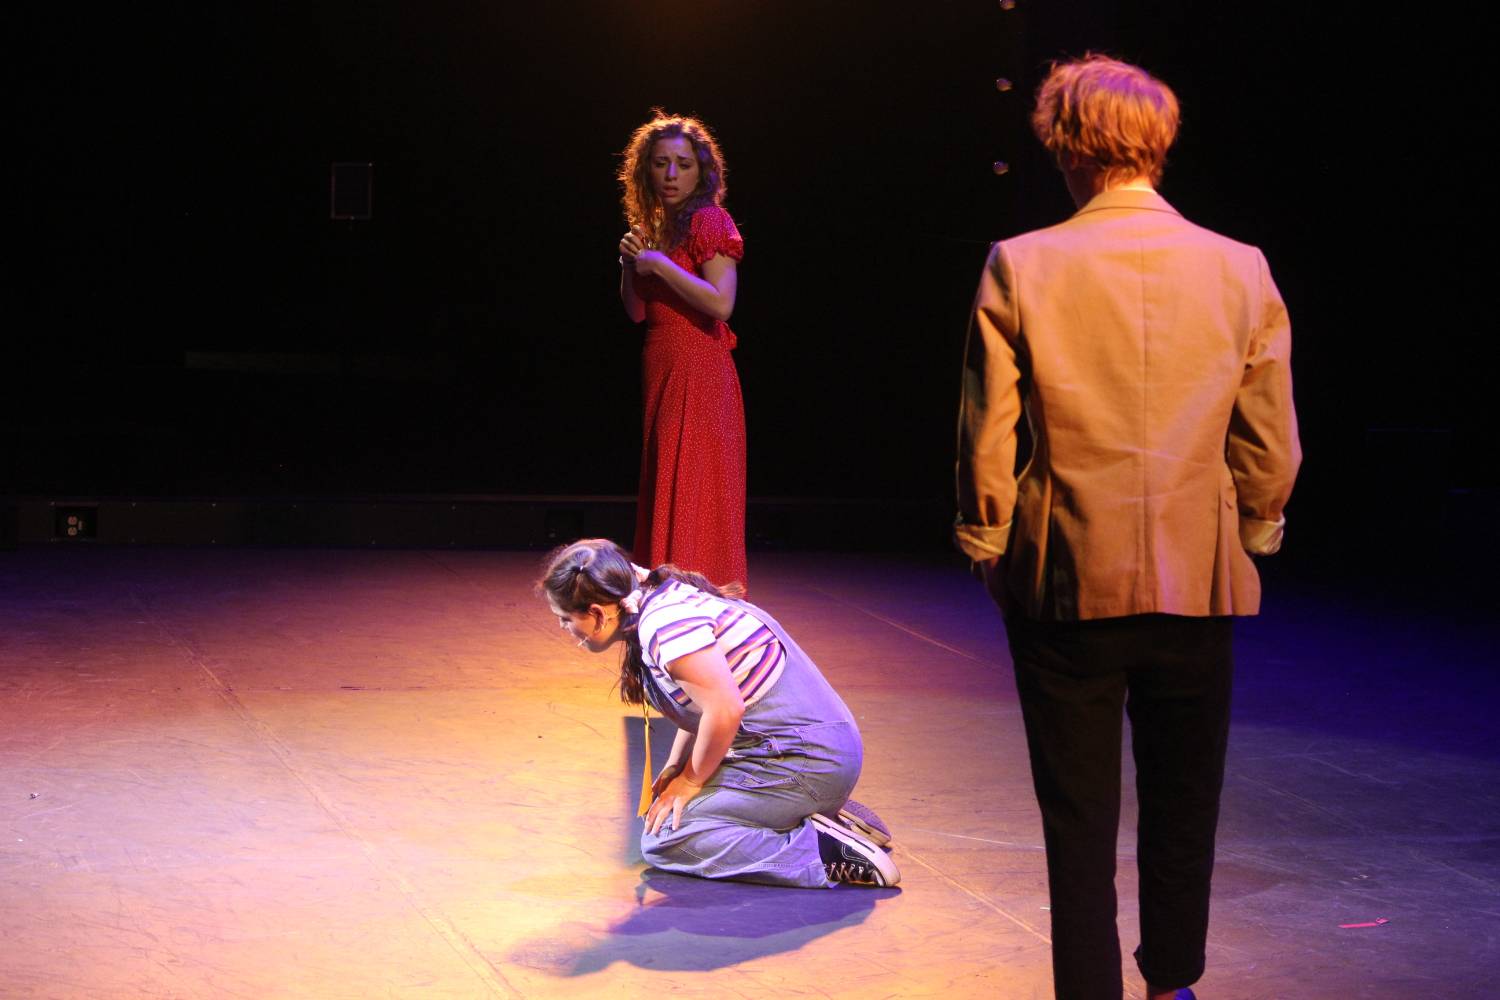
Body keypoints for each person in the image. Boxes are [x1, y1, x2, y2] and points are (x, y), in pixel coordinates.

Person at [954, 56, 1301, 1000]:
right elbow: (1268, 435)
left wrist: (988, 540)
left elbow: (987, 430)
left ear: (1067, 146)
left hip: (1067, 576)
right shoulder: (1240, 267)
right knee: (1186, 805)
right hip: (1197, 577)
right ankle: (1173, 985)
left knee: (1077, 821)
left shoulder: (1022, 261)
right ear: (1159, 144)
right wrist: (1256, 529)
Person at [538, 538, 899, 888]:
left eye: (565, 619)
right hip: (808, 753)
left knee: (668, 838)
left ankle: (818, 850)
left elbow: (724, 709)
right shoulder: (661, 598)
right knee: (668, 810)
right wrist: (677, 767)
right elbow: (702, 703)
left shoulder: (665, 627)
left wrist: (691, 781)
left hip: (805, 763)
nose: (563, 628)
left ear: (597, 613)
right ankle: (816, 813)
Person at [617, 112, 747, 587]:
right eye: (660, 163)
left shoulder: (709, 221)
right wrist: (630, 264)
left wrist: (659, 265)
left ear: (701, 171)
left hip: (700, 366)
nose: (671, 175)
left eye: (683, 164)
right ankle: (667, 596)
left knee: (694, 488)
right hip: (662, 365)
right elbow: (636, 312)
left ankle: (700, 599)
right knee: (667, 483)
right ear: (645, 170)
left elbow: (722, 304)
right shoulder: (655, 227)